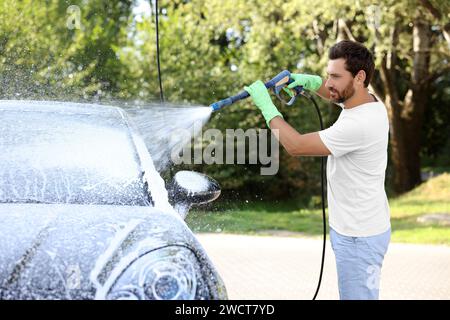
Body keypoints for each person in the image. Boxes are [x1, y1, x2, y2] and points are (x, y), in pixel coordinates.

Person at [244, 40, 391, 300]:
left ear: (359, 77)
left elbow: (297, 145)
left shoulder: (359, 124)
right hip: (357, 227)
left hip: (359, 237)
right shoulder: (369, 102)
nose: (329, 83)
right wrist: (311, 82)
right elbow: (337, 94)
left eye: (335, 76)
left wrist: (267, 107)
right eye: (327, 75)